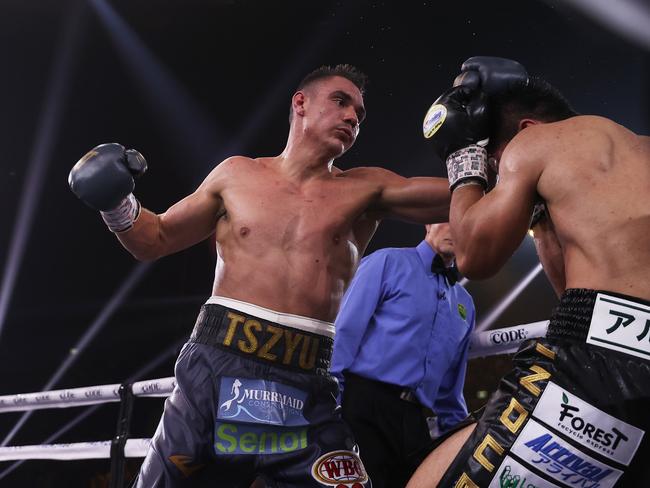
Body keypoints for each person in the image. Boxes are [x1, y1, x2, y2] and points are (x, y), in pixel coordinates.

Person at [68, 64, 453, 487]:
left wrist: (482, 147)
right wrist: (116, 203)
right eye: (341, 102)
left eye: (359, 116)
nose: (351, 118)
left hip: (308, 381)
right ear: (300, 103)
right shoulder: (236, 174)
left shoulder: (367, 189)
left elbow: (463, 197)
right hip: (217, 367)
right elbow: (155, 238)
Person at [407, 58, 650, 487]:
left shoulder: (536, 142)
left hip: (600, 367)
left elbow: (475, 256)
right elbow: (567, 289)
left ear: (525, 130)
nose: (499, 180)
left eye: (496, 167)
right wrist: (540, 217)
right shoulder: (633, 151)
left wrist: (465, 162)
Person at [330, 223, 475, 487]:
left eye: (461, 220)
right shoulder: (387, 262)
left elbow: (451, 390)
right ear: (428, 223)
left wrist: (467, 440)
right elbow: (343, 333)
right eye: (446, 218)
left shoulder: (465, 303)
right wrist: (330, 404)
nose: (454, 227)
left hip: (415, 422)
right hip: (362, 406)